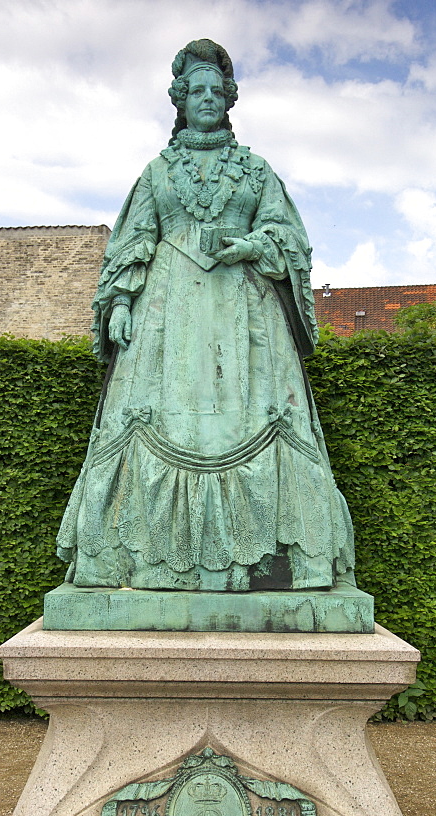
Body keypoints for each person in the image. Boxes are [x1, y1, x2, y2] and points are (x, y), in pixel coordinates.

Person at [57, 39, 356, 592]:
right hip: (165, 323)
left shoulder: (256, 170)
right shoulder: (156, 172)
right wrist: (121, 301)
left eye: (218, 91)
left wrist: (251, 245)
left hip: (247, 325)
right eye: (197, 90)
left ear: (230, 99)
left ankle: (273, 562)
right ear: (179, 99)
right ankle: (134, 564)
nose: (208, 99)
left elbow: (290, 237)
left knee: (270, 422)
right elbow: (133, 239)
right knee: (142, 424)